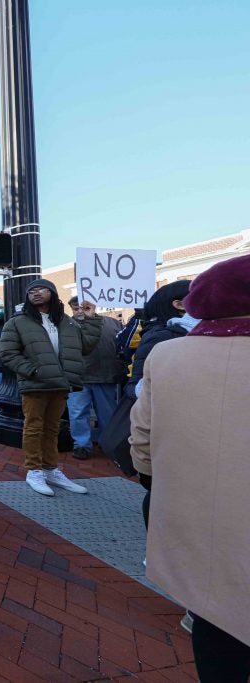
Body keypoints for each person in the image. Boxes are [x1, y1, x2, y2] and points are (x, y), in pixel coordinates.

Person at [129, 254, 250, 682]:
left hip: (196, 520)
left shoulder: (166, 356)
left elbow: (141, 442)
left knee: (214, 623)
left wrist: (156, 479)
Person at [0, 279, 102, 496]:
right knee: (34, 427)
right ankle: (34, 470)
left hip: (61, 383)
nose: (35, 293)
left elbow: (85, 346)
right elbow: (8, 353)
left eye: (41, 289)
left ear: (53, 293)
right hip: (35, 383)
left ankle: (50, 469)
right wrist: (33, 371)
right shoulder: (17, 322)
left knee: (53, 428)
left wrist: (91, 319)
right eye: (31, 291)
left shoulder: (67, 322)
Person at [65, 297, 122, 460]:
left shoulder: (112, 323)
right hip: (79, 377)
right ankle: (82, 445)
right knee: (78, 413)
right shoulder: (66, 325)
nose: (80, 312)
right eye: (76, 309)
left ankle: (108, 443)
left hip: (105, 375)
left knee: (107, 414)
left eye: (84, 308)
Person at [124, 280, 196, 400]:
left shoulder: (204, 331)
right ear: (179, 304)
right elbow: (134, 387)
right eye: (198, 295)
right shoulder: (158, 337)